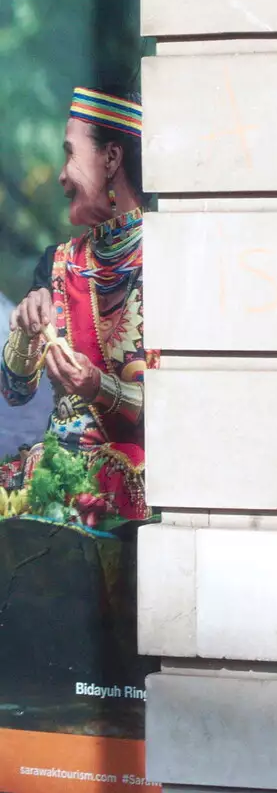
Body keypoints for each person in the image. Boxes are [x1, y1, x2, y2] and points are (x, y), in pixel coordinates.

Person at [0, 87, 147, 528]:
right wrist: (26, 330)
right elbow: (16, 392)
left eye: (70, 155)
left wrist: (100, 386)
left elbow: (195, 405)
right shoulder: (58, 262)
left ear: (111, 160)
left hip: (135, 498)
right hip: (54, 487)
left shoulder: (170, 261)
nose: (62, 176)